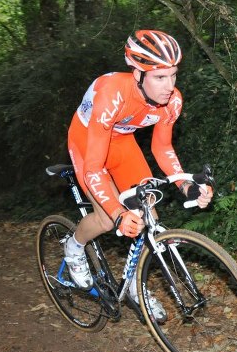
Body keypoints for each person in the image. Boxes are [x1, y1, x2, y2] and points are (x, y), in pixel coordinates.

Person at [64, 30, 213, 320]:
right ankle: (73, 247)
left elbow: (162, 147)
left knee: (149, 212)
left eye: (173, 75)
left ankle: (135, 284)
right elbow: (94, 167)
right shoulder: (113, 94)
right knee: (108, 219)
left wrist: (187, 186)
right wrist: (118, 213)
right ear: (137, 74)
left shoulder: (172, 101)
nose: (169, 86)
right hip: (87, 142)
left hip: (121, 143)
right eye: (160, 77)